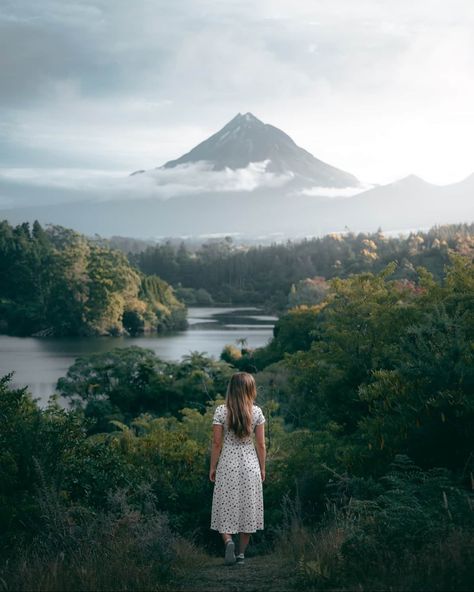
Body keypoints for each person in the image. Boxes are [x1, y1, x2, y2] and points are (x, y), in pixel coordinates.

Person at [209, 371, 266, 565]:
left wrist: (212, 467)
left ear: (231, 389)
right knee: (248, 508)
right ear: (250, 389)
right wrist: (263, 468)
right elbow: (261, 445)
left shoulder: (220, 411)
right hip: (250, 464)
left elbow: (217, 443)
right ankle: (241, 555)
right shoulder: (256, 412)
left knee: (224, 505)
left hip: (228, 463)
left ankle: (228, 541)